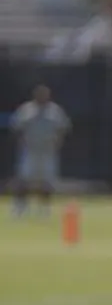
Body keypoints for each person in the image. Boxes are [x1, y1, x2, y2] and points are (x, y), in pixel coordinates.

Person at [9, 85, 70, 219]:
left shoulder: (55, 111)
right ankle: (20, 207)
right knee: (23, 180)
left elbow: (63, 128)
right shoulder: (26, 110)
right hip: (30, 151)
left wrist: (57, 143)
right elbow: (17, 127)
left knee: (46, 181)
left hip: (48, 152)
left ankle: (44, 209)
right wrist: (22, 143)